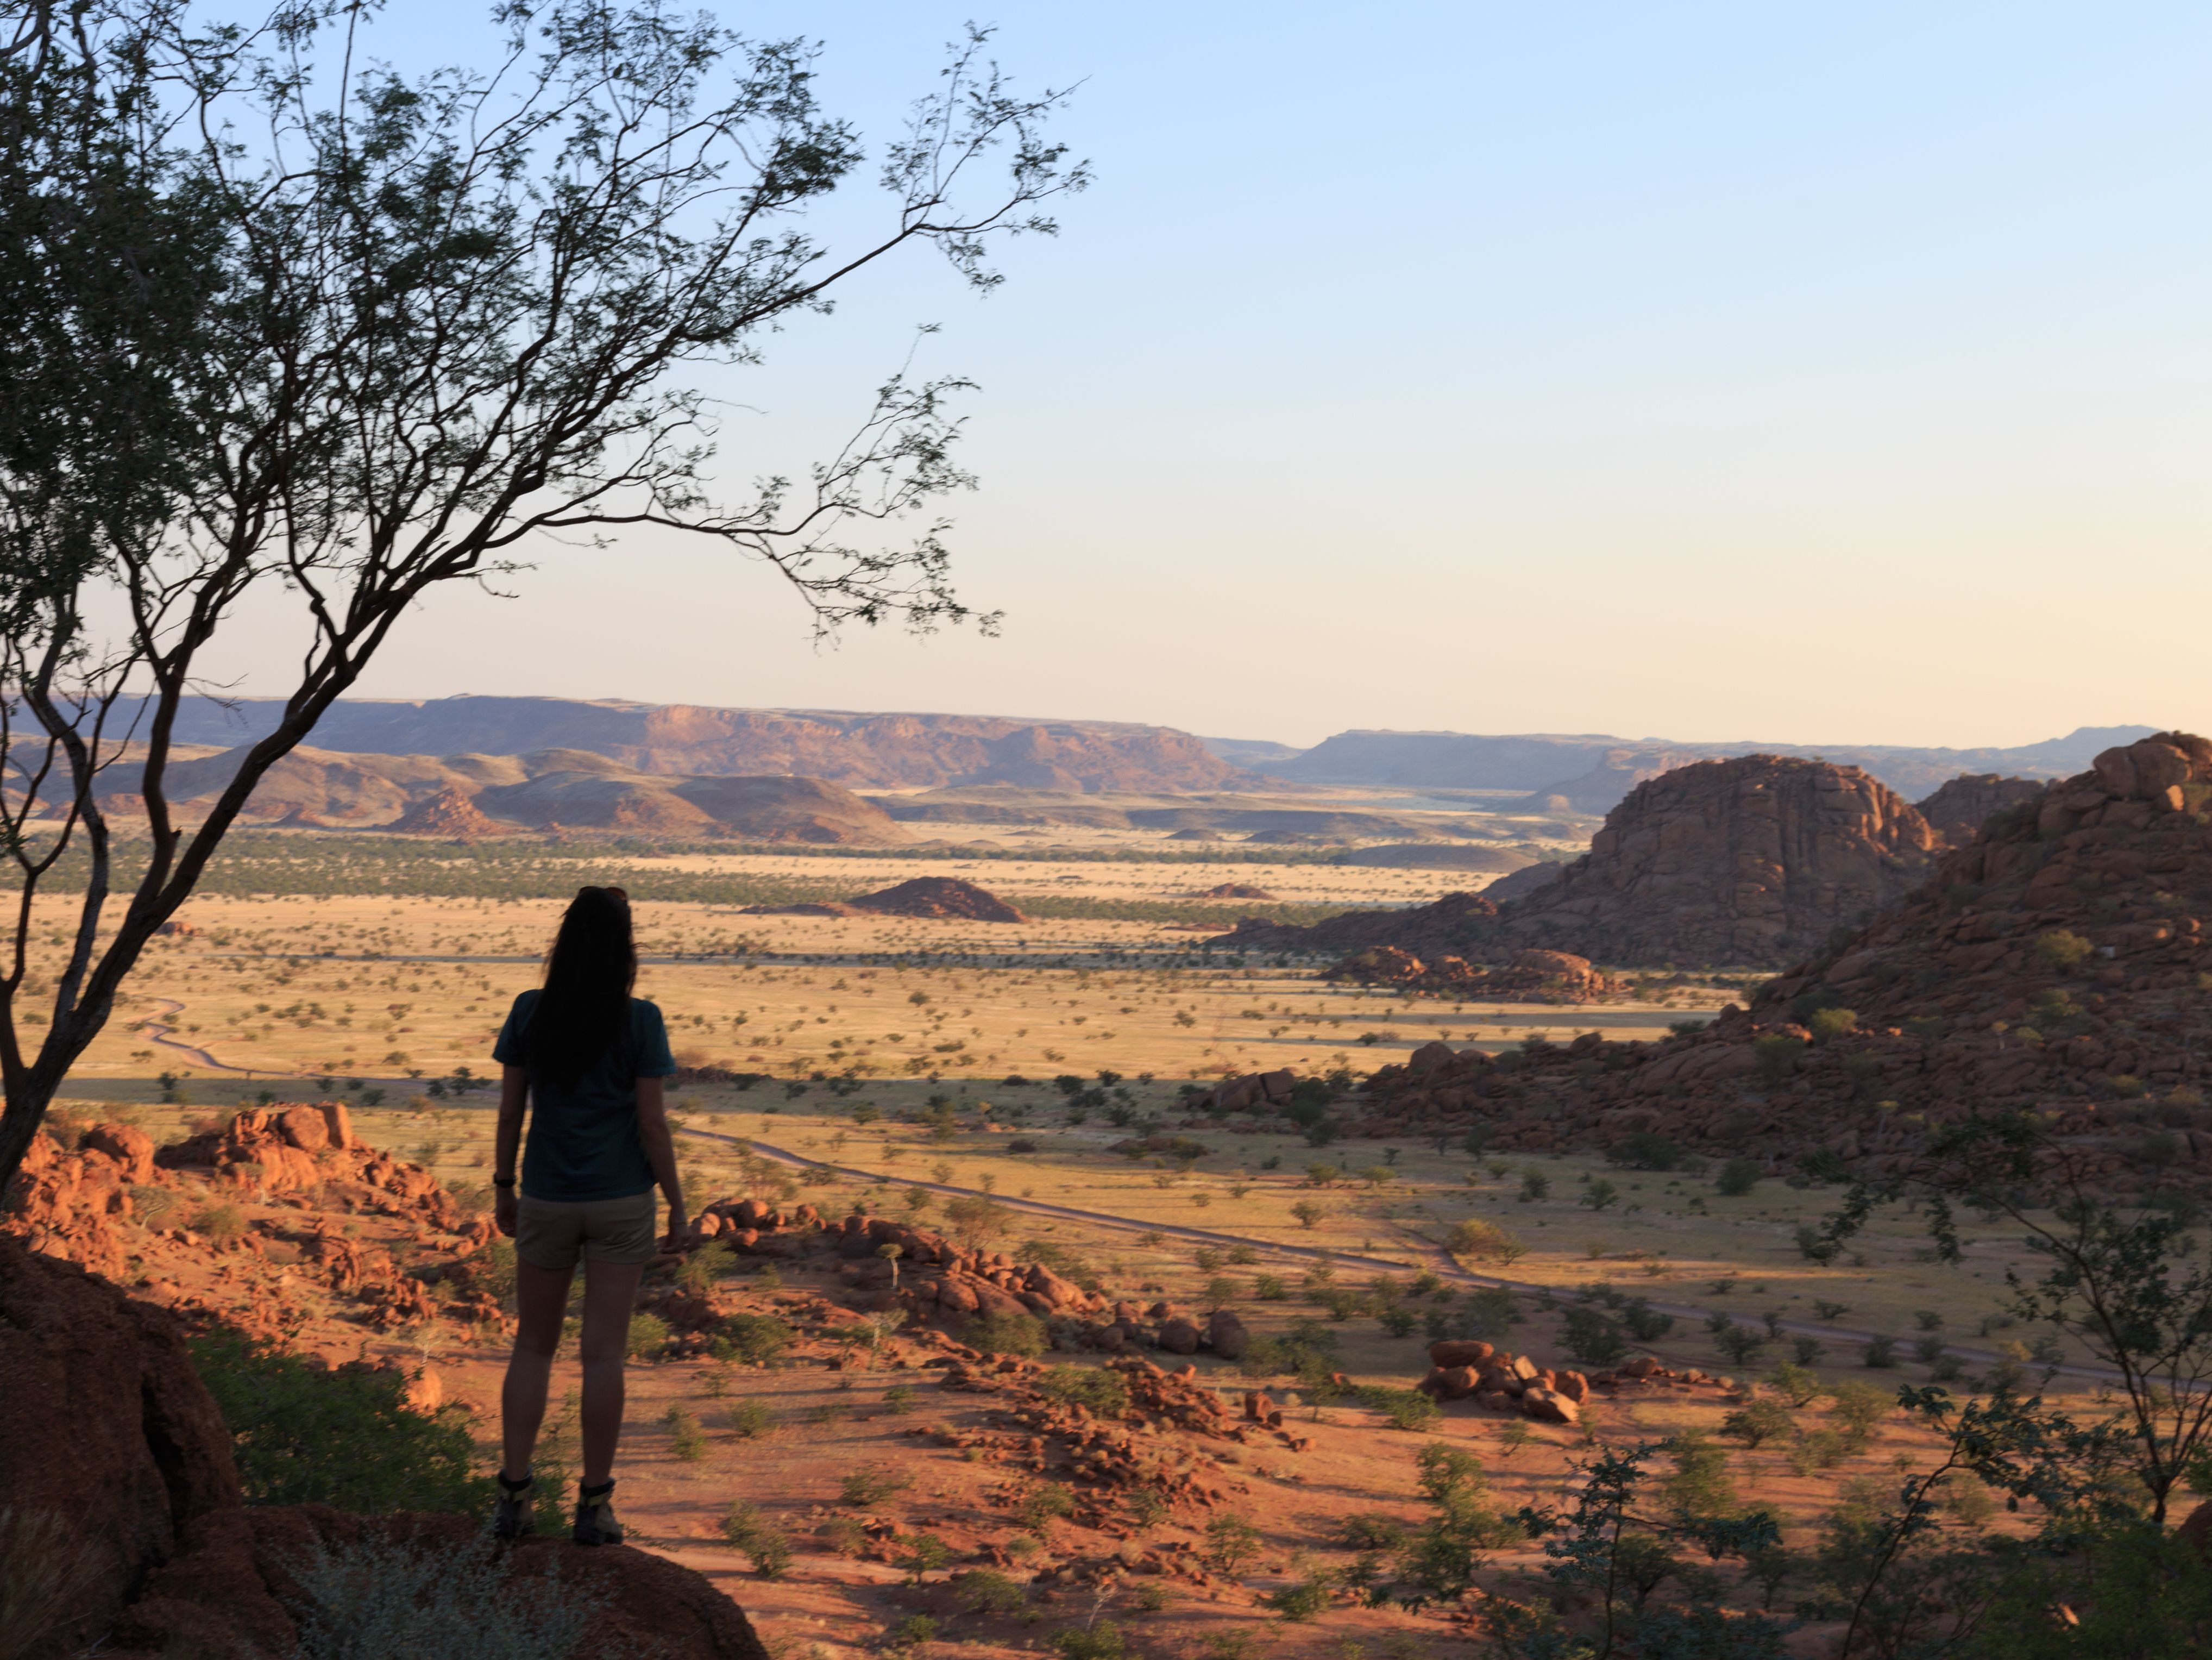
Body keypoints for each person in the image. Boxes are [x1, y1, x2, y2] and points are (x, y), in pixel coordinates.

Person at [489, 885, 684, 1544]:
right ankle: (594, 1507)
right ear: (625, 948)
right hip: (621, 1201)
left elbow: (512, 1112)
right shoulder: (641, 1019)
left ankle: (513, 1498)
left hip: (545, 1195)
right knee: (604, 1357)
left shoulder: (530, 1012)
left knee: (533, 1347)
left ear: (564, 941)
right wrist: (677, 1205)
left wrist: (504, 1187)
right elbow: (653, 1126)